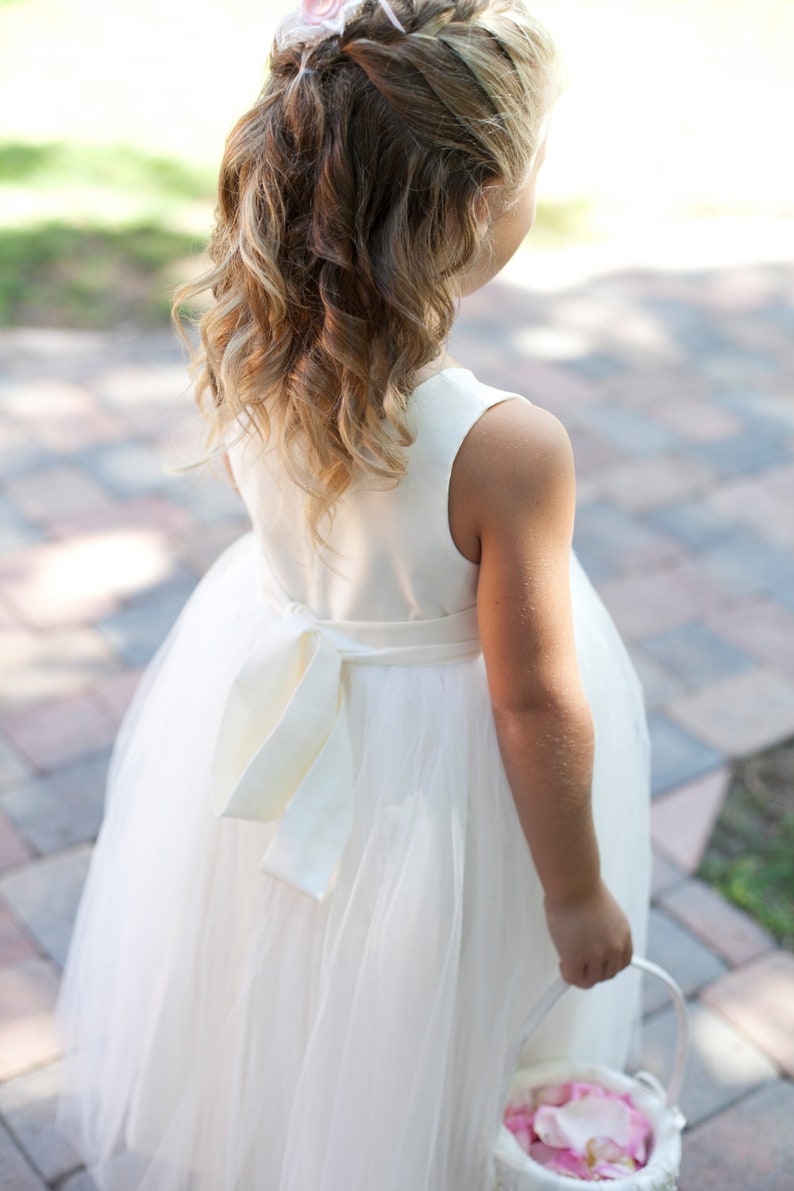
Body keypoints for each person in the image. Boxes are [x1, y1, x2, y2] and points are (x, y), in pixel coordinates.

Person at [56, 1, 651, 1188]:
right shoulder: (505, 446)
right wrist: (575, 891)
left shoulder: (248, 351)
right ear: (482, 203)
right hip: (433, 772)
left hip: (275, 691)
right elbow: (532, 703)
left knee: (277, 981)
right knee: (427, 992)